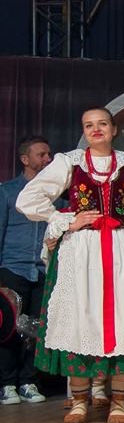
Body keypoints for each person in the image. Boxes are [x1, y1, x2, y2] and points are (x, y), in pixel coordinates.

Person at [17, 107, 124, 423]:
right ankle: (79, 401)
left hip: (121, 248)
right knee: (80, 317)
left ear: (114, 129)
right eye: (89, 125)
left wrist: (123, 224)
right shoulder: (70, 162)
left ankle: (119, 402)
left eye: (102, 124)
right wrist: (66, 219)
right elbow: (29, 198)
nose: (96, 130)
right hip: (82, 250)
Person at [0, 136, 52, 405]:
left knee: (36, 329)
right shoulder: (8, 191)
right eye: (41, 155)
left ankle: (29, 381)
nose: (47, 159)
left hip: (42, 270)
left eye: (48, 154)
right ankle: (7, 383)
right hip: (13, 268)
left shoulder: (53, 193)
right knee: (9, 328)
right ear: (25, 159)